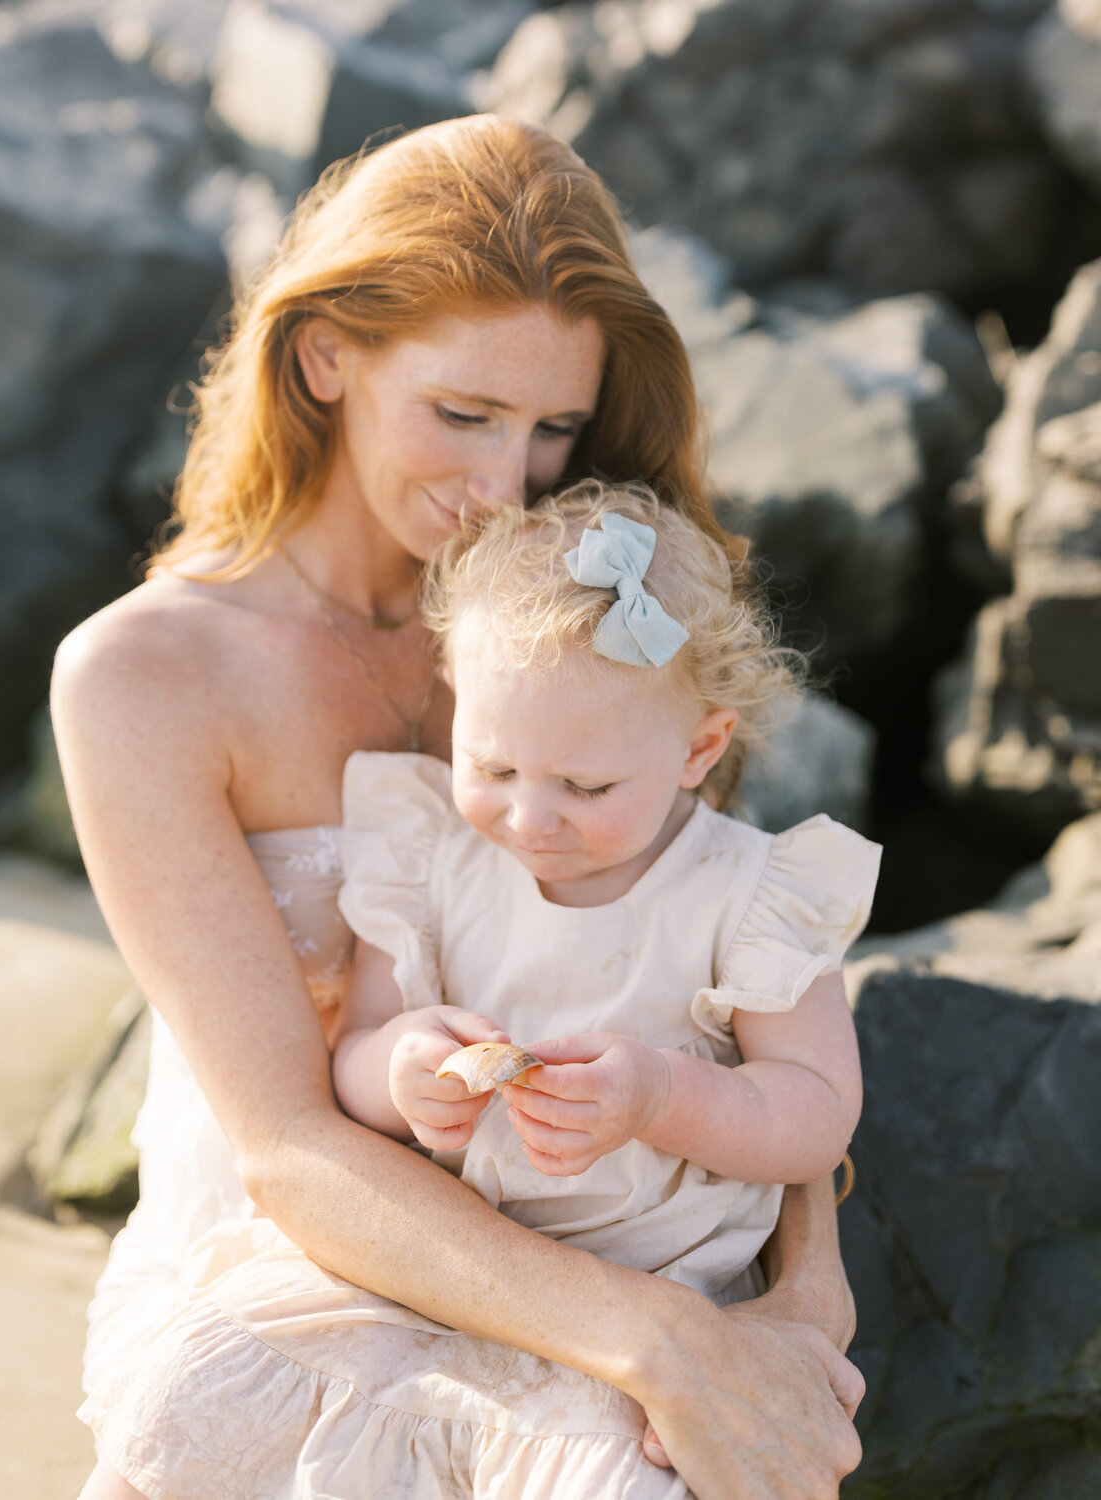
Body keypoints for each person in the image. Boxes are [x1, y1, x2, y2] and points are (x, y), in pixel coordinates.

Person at [55, 114, 866, 1500]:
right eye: (464, 415)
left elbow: (732, 987)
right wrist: (665, 1346)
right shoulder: (144, 677)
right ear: (327, 357)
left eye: (553, 428)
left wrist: (806, 1299)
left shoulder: (597, 622)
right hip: (297, 1252)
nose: (506, 489)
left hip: (614, 1227)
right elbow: (292, 1147)